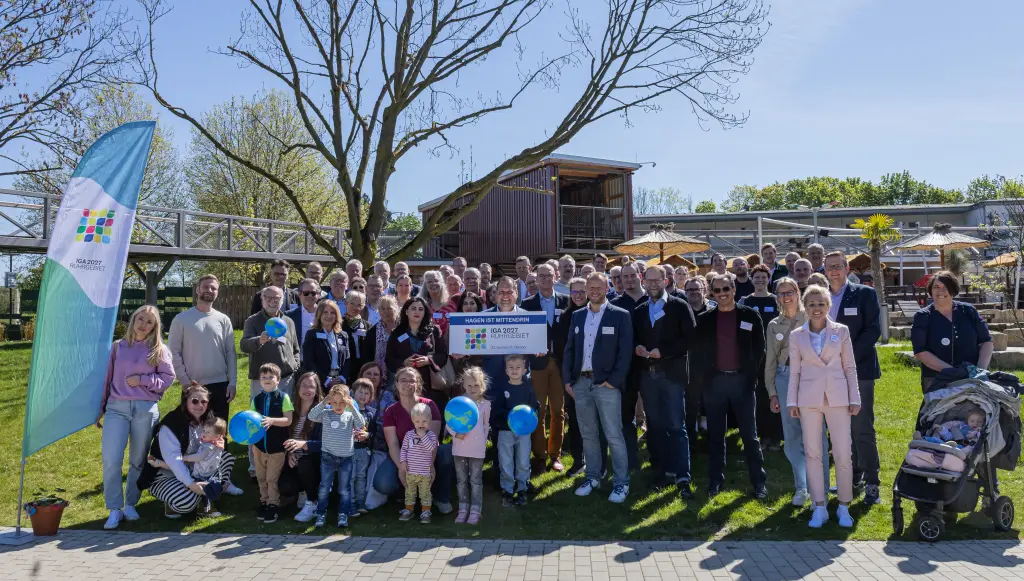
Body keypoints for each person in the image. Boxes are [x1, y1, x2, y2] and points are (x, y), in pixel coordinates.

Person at [788, 284, 861, 528]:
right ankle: (819, 506)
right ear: (804, 307)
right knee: (813, 453)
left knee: (842, 452)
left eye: (821, 304)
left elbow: (849, 367)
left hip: (839, 398)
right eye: (811, 304)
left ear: (828, 306)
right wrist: (792, 401)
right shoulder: (797, 335)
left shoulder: (841, 332)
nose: (816, 308)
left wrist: (855, 397)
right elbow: (795, 371)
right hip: (808, 400)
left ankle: (843, 506)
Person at [98, 305, 175, 529]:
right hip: (116, 408)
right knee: (111, 459)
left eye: (149, 322)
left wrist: (143, 380)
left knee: (138, 460)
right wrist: (100, 408)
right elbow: (107, 379)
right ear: (133, 320)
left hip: (145, 408)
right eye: (140, 319)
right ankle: (114, 508)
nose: (143, 325)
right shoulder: (118, 347)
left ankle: (131, 503)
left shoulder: (159, 350)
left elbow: (168, 378)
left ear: (155, 326)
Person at [692, 274, 767, 499]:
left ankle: (758, 482)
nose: (722, 293)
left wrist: (749, 376)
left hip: (741, 383)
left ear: (734, 289)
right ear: (711, 293)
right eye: (717, 290)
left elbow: (759, 349)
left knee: (749, 436)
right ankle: (715, 480)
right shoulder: (705, 319)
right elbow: (697, 352)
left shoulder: (750, 315)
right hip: (715, 384)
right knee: (715, 435)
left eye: (726, 288)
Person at [563, 273, 633, 503]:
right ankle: (592, 476)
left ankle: (621, 483)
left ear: (607, 288)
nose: (593, 291)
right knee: (588, 434)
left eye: (598, 287)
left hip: (606, 384)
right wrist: (567, 380)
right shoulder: (578, 316)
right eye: (589, 287)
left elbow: (625, 353)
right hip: (581, 383)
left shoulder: (620, 316)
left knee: (613, 434)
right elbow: (570, 350)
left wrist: (613, 381)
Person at [633, 265, 697, 499]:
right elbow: (634, 338)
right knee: (655, 426)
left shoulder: (679, 306)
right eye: (648, 280)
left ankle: (682, 476)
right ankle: (661, 471)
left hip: (671, 375)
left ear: (666, 281)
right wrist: (637, 347)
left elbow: (690, 338)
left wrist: (665, 352)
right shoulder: (639, 310)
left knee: (676, 426)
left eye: (656, 280)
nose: (652, 284)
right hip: (648, 376)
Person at [823, 250, 882, 505]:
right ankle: (853, 477)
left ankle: (872, 482)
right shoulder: (820, 297)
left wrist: (845, 360)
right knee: (841, 428)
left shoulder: (864, 294)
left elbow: (872, 331)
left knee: (861, 427)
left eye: (838, 266)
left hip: (859, 369)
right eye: (829, 267)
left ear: (847, 269)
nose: (834, 271)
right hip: (828, 372)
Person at [765, 277, 828, 507]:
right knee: (792, 437)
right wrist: (772, 392)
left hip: (812, 379)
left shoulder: (812, 316)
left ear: (797, 292)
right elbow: (770, 361)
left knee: (816, 435)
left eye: (789, 291)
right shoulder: (774, 325)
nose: (786, 297)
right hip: (784, 378)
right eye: (781, 293)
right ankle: (801, 488)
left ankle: (819, 490)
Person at [138, 383, 237, 518]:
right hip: (166, 474)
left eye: (204, 402)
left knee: (225, 458)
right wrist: (191, 484)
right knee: (187, 501)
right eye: (195, 401)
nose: (200, 405)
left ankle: (205, 502)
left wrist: (216, 477)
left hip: (195, 469)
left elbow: (214, 450)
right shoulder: (171, 424)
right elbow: (174, 461)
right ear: (186, 401)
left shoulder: (208, 420)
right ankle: (180, 501)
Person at [168, 274, 238, 439]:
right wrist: (185, 382)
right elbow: (174, 353)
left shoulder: (223, 319)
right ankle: (192, 465)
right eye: (206, 287)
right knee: (192, 433)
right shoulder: (181, 319)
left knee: (218, 433)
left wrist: (233, 382)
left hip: (220, 385)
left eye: (213, 288)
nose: (209, 290)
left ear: (217, 292)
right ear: (197, 290)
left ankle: (219, 465)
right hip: (193, 387)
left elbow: (230, 352)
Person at [241, 286, 300, 479]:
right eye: (268, 298)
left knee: (283, 420)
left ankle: (280, 461)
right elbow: (243, 345)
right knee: (256, 421)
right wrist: (259, 340)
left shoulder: (288, 321)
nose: (273, 301)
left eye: (277, 298)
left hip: (285, 378)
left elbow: (296, 348)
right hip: (262, 381)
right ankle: (254, 466)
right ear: (262, 299)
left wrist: (295, 364)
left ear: (283, 299)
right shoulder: (253, 321)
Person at [520, 263, 570, 472]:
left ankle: (555, 454)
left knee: (558, 411)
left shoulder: (566, 301)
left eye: (550, 275)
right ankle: (539, 455)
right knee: (538, 411)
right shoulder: (527, 304)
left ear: (556, 276)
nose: (546, 279)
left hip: (559, 364)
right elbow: (523, 335)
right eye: (542, 276)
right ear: (536, 279)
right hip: (537, 365)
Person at [556, 277, 605, 477]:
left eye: (581, 291)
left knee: (599, 422)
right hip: (574, 379)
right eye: (573, 292)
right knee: (576, 422)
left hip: (597, 377)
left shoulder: (598, 313)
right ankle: (579, 461)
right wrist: (567, 380)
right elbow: (563, 351)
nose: (577, 295)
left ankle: (600, 463)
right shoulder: (567, 316)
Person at [911, 271, 994, 390]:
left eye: (946, 287)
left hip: (973, 378)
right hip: (937, 379)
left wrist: (979, 371)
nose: (941, 291)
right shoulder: (922, 317)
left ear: (953, 290)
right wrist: (953, 372)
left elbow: (986, 341)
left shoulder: (969, 311)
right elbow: (920, 352)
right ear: (930, 291)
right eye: (936, 287)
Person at [308, 383, 365, 528]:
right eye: (334, 402)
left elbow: (361, 423)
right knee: (324, 487)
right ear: (330, 402)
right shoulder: (326, 414)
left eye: (342, 402)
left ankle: (343, 514)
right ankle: (321, 514)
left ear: (347, 401)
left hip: (346, 458)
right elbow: (311, 415)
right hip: (328, 457)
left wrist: (352, 407)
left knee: (344, 489)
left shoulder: (350, 415)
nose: (338, 405)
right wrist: (324, 402)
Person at [739, 264, 781, 451]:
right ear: (752, 279)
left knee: (775, 394)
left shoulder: (776, 301)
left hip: (775, 355)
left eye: (764, 277)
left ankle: (776, 437)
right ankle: (762, 436)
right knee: (759, 397)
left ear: (768, 279)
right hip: (754, 356)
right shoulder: (745, 301)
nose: (760, 280)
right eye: (756, 277)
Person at [148, 417, 227, 516]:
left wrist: (184, 458)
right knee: (178, 466)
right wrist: (183, 458)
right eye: (204, 430)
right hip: (198, 470)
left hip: (201, 471)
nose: (204, 433)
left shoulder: (210, 445)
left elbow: (199, 457)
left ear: (217, 436)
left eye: (208, 432)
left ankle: (204, 505)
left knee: (206, 486)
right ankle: (158, 464)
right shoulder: (209, 442)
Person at [386, 296, 450, 412]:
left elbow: (443, 355)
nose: (417, 312)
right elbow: (389, 359)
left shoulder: (434, 330)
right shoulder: (397, 332)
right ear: (406, 311)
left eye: (421, 309)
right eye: (413, 308)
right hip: (405, 386)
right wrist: (403, 363)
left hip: (430, 386)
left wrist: (429, 360)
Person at [611, 263, 647, 471]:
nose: (629, 279)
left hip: (652, 365)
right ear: (620, 280)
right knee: (626, 416)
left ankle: (656, 456)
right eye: (625, 277)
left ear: (639, 276)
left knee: (656, 414)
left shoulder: (651, 300)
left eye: (633, 275)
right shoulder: (616, 304)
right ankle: (630, 460)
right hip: (626, 369)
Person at [492, 355, 541, 507]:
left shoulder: (528, 389)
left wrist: (531, 417)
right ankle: (507, 490)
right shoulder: (502, 389)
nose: (514, 370)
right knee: (505, 461)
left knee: (523, 460)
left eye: (518, 367)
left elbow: (535, 407)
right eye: (511, 368)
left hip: (524, 433)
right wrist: (511, 415)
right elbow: (496, 409)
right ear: (506, 371)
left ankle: (522, 489)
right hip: (505, 431)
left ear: (525, 370)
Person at [248, 363, 294, 523]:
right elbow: (251, 420)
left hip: (276, 448)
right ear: (259, 381)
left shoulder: (283, 397)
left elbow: (288, 420)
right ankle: (264, 501)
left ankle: (274, 505)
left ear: (278, 380)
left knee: (271, 478)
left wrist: (272, 421)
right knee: (260, 476)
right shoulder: (257, 399)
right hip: (259, 446)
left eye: (270, 377)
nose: (267, 380)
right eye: (263, 377)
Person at [448, 366, 490, 524]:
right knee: (461, 480)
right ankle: (463, 508)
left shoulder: (485, 404)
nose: (473, 389)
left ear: (482, 386)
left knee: (476, 481)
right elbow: (449, 421)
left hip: (477, 450)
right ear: (464, 385)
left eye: (476, 385)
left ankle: (475, 509)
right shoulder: (457, 403)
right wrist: (455, 434)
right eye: (469, 385)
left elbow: (486, 426)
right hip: (459, 448)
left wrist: (483, 441)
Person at [280, 372, 324, 523]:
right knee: (285, 487)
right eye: (304, 385)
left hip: (314, 461)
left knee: (305, 463)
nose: (307, 389)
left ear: (317, 390)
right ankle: (302, 490)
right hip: (293, 458)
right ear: (298, 388)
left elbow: (325, 444)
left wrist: (303, 445)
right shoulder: (290, 410)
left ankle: (312, 501)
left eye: (311, 386)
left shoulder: (323, 413)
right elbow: (284, 437)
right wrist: (289, 453)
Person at [361, 362, 396, 511]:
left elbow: (390, 423)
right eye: (368, 373)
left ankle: (373, 499)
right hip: (357, 444)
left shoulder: (388, 396)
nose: (372, 377)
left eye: (376, 374)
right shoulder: (351, 394)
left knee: (376, 462)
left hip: (380, 444)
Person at [399, 402, 440, 523]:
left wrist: (423, 436)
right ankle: (409, 510)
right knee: (409, 492)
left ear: (430, 420)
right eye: (417, 422)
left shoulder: (431, 436)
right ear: (413, 421)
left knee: (425, 493)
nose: (421, 425)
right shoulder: (409, 435)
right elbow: (404, 449)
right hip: (410, 471)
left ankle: (426, 511)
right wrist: (403, 461)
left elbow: (431, 448)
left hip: (425, 473)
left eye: (424, 422)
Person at [301, 299, 350, 389]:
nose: (329, 315)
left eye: (332, 313)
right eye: (325, 312)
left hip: (339, 382)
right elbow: (309, 361)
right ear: (319, 315)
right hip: (320, 382)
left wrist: (343, 377)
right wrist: (326, 380)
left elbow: (347, 359)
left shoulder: (343, 335)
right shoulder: (312, 334)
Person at [350, 378, 376, 516]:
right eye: (360, 392)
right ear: (353, 393)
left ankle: (360, 502)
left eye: (367, 393)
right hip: (349, 450)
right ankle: (350, 503)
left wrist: (367, 435)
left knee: (361, 477)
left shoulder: (370, 413)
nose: (363, 396)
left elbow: (374, 432)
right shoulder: (347, 411)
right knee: (350, 477)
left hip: (364, 451)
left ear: (370, 397)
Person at [366, 295, 400, 390]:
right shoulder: (372, 332)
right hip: (380, 374)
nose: (386, 312)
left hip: (399, 372)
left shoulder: (404, 329)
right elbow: (367, 356)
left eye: (389, 308)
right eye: (382, 308)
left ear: (395, 309)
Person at [343, 290, 373, 380]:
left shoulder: (368, 326)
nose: (355, 307)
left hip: (363, 368)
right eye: (352, 303)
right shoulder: (338, 324)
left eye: (359, 305)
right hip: (345, 368)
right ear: (346, 303)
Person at [287, 278, 321, 348]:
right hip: (297, 357)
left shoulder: (325, 315)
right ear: (299, 294)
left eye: (313, 293)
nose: (309, 296)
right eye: (306, 293)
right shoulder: (289, 315)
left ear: (318, 295)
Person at [420, 270, 451, 335]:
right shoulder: (420, 305)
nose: (433, 284)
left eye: (436, 281)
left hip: (450, 342)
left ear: (442, 283)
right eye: (429, 282)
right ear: (425, 285)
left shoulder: (451, 303)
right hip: (428, 342)